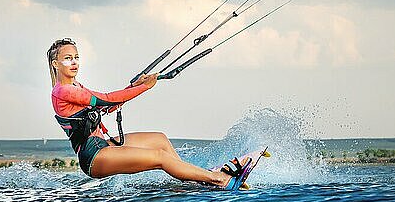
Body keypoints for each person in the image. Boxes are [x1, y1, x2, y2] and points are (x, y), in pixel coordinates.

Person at [47, 38, 249, 189]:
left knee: (159, 139)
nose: (74, 62)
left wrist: (133, 87)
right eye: (67, 59)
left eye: (76, 57)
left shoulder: (75, 85)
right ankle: (219, 179)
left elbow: (107, 107)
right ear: (56, 64)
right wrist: (145, 87)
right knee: (160, 157)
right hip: (93, 156)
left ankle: (195, 178)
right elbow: (106, 99)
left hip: (102, 145)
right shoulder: (63, 90)